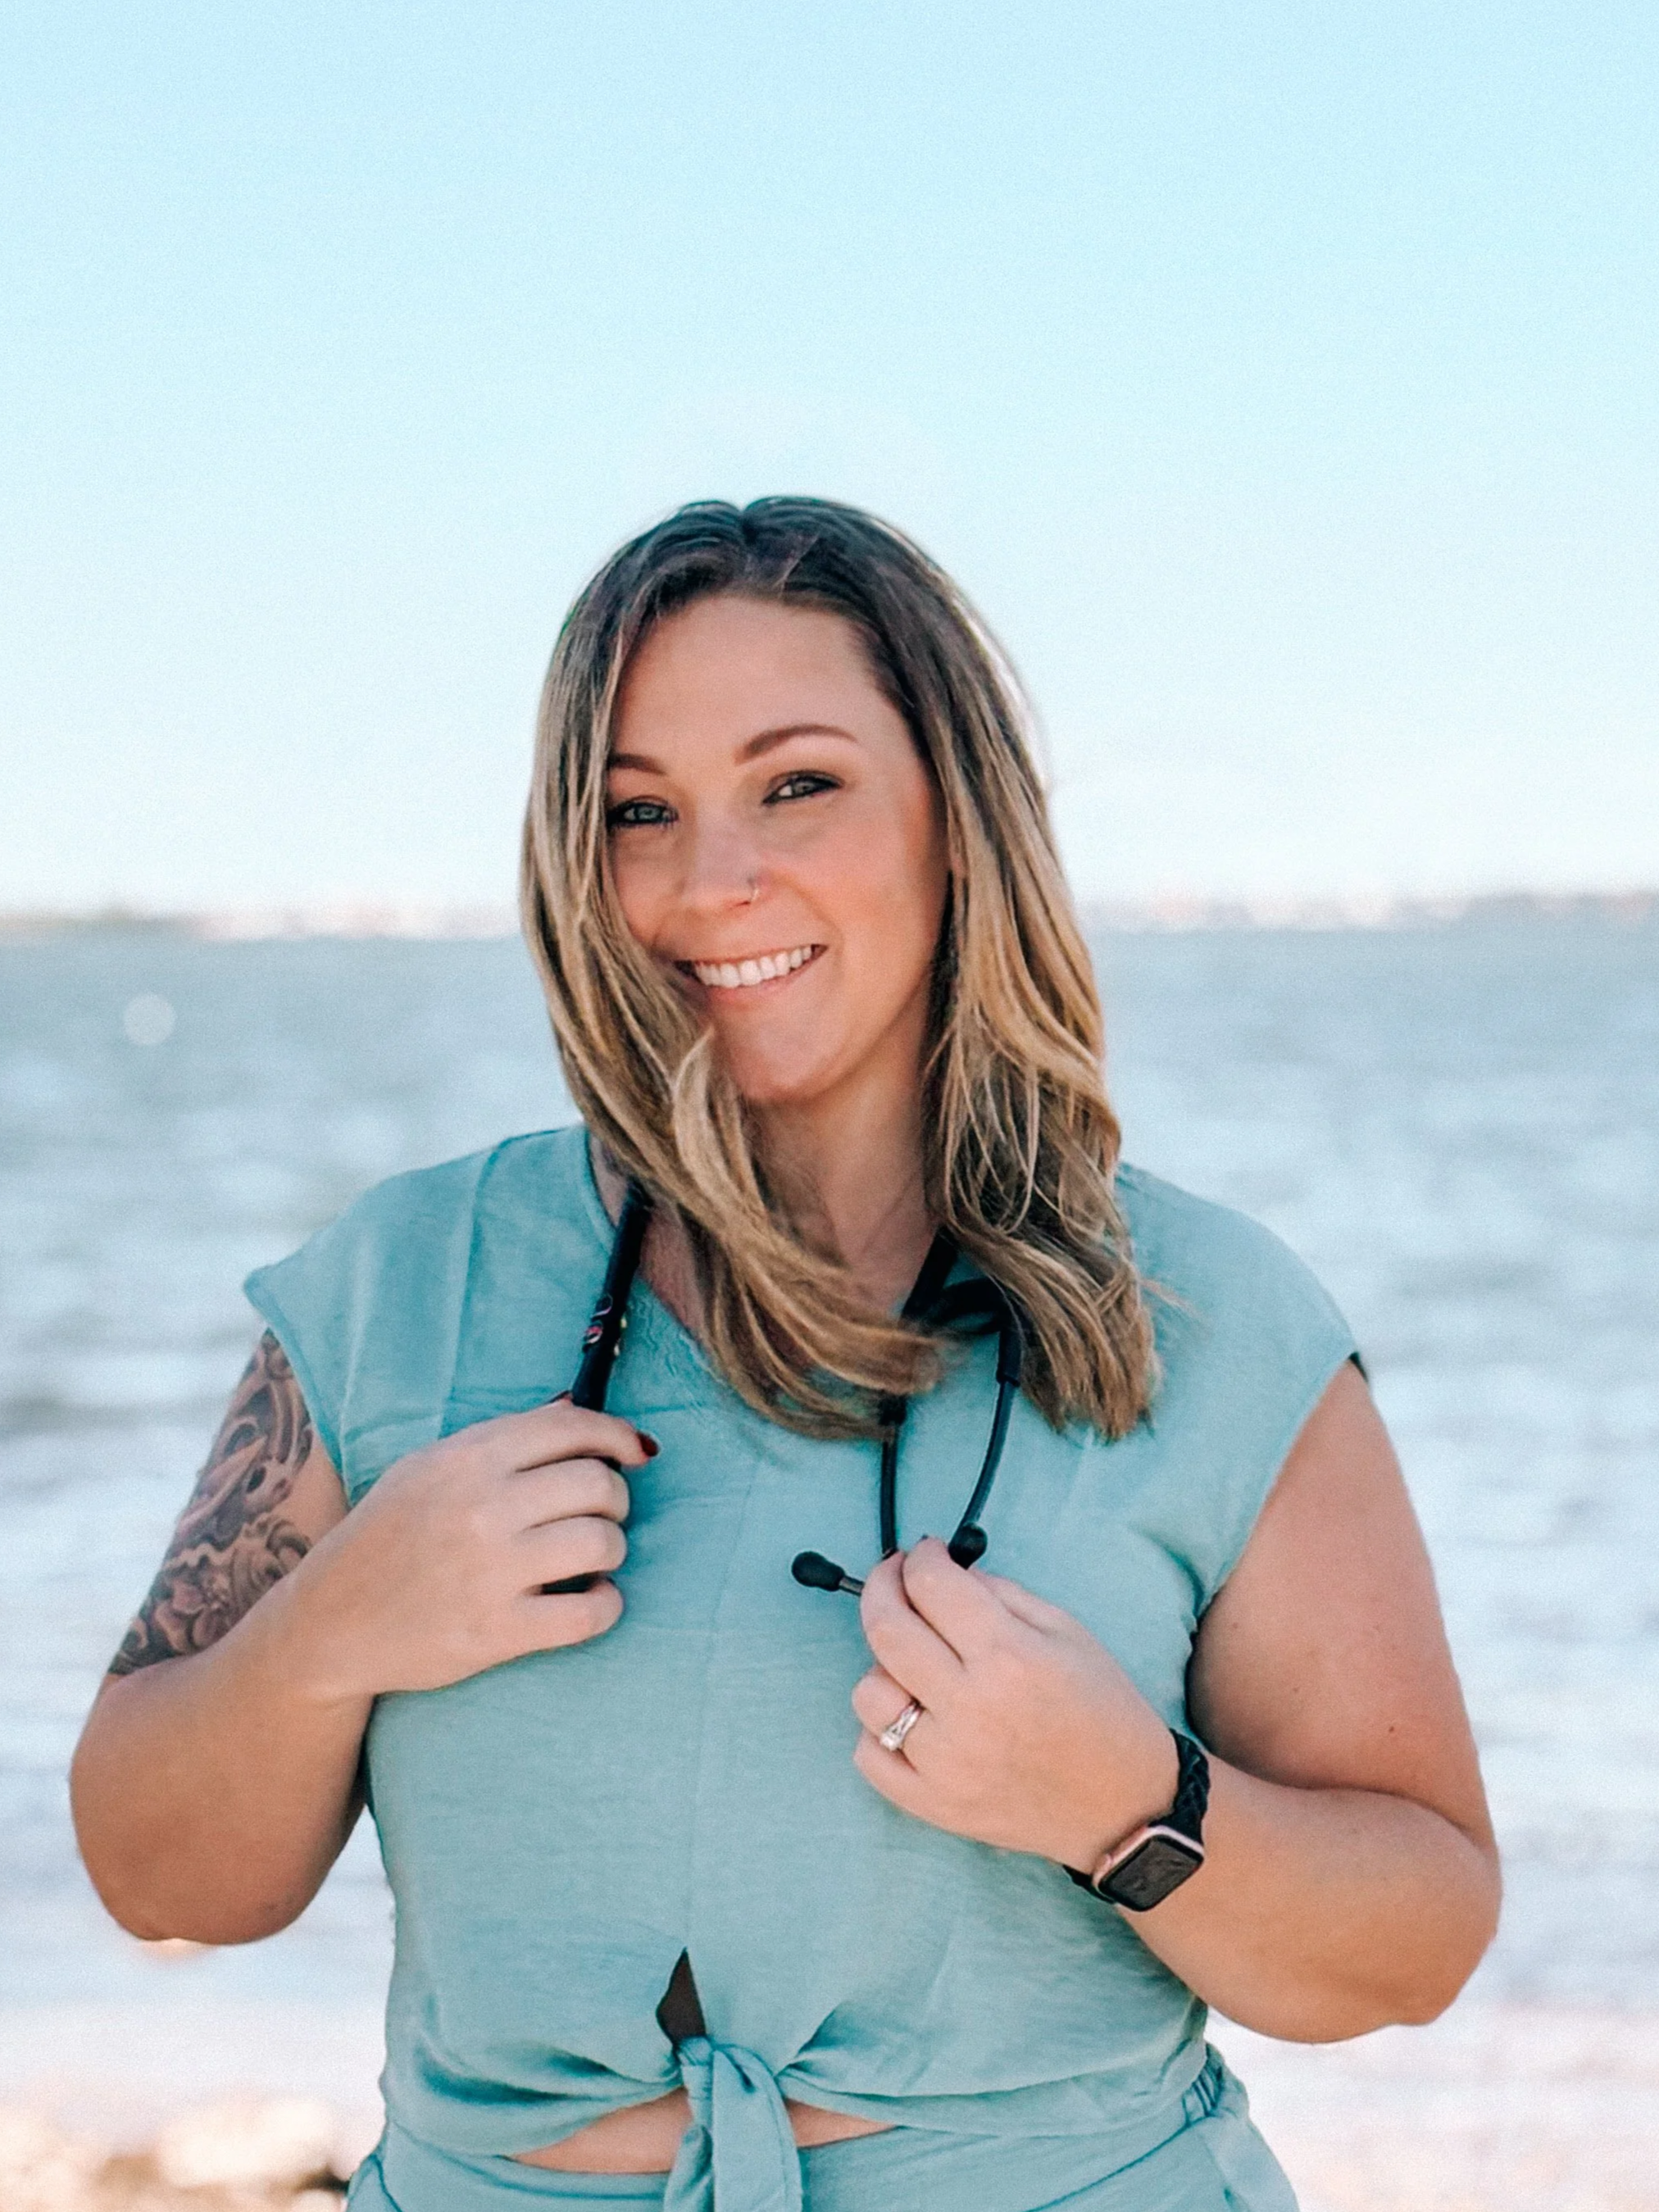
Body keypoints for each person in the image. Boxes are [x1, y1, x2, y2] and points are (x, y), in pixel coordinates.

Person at [71, 498, 1499, 2212]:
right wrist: (330, 1629)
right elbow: (161, 1877)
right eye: (638, 810)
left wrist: (1130, 1802)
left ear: (952, 817)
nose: (708, 881)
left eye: (796, 783)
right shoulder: (402, 1286)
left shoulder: (1203, 1314)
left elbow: (1413, 1939)